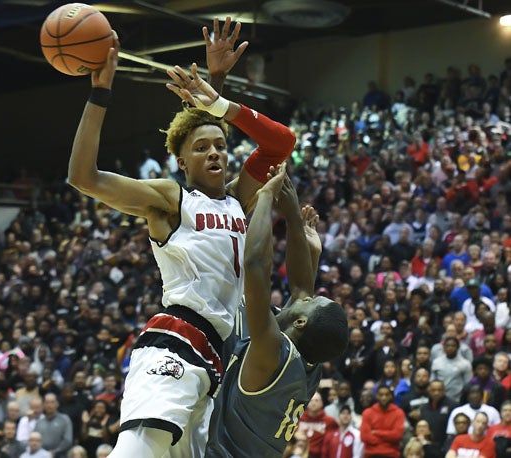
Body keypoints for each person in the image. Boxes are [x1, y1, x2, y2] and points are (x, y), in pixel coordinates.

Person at [68, 17, 294, 457]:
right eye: (201, 148)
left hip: (215, 360)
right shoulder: (172, 200)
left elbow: (280, 143)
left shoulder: (235, 201)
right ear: (181, 162)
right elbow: (82, 176)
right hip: (174, 345)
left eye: (221, 146)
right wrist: (100, 91)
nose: (214, 152)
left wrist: (220, 97)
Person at [204, 169, 348, 457]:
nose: (307, 293)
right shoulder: (309, 365)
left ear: (301, 321)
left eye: (311, 299)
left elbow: (255, 263)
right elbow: (300, 286)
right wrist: (294, 219)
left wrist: (267, 198)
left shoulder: (272, 353)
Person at [359, 385, 406, 458]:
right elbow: (365, 437)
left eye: (387, 395)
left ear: (391, 396)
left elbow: (397, 435)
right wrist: (387, 440)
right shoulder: (367, 413)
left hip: (391, 455)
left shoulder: (399, 413)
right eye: (381, 395)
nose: (384, 398)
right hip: (371, 455)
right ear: (376, 396)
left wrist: (376, 432)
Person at [33, 393, 73, 458]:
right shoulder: (39, 422)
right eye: (47, 403)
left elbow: (68, 440)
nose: (49, 405)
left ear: (57, 404)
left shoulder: (65, 419)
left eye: (52, 402)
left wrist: (55, 451)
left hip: (61, 455)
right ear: (43, 405)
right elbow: (35, 440)